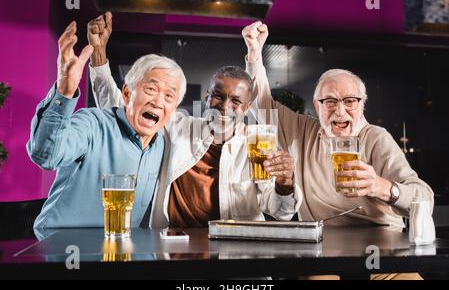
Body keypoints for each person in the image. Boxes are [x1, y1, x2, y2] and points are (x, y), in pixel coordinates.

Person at [87, 13, 302, 228]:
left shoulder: (258, 146)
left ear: (246, 107)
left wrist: (285, 183)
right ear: (207, 97)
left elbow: (281, 212)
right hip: (172, 248)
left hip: (236, 252)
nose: (225, 107)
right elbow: (126, 109)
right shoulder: (178, 128)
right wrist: (98, 53)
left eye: (236, 101)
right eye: (218, 96)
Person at [242, 21, 434, 232]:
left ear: (363, 103)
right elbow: (261, 103)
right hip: (320, 248)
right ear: (317, 105)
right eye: (330, 102)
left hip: (378, 246)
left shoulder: (376, 138)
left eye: (350, 101)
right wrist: (254, 53)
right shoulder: (302, 130)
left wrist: (381, 187)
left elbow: (425, 200)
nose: (340, 111)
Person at [27, 21, 185, 229]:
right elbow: (46, 156)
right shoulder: (93, 124)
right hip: (61, 247)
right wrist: (64, 92)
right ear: (127, 94)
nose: (157, 102)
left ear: (173, 108)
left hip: (118, 249)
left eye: (169, 96)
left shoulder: (162, 145)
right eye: (151, 89)